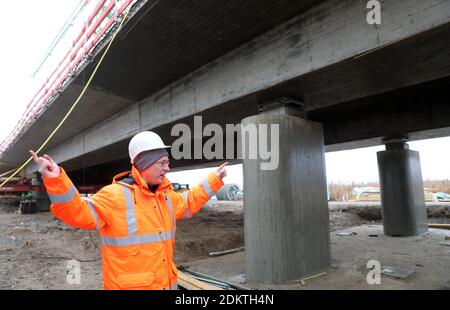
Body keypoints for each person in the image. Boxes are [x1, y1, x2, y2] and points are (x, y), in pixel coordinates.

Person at [30, 131, 227, 290]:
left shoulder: (165, 196)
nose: (167, 168)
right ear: (144, 164)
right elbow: (77, 212)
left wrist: (214, 180)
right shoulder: (114, 196)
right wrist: (56, 179)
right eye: (162, 163)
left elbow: (189, 202)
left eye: (167, 162)